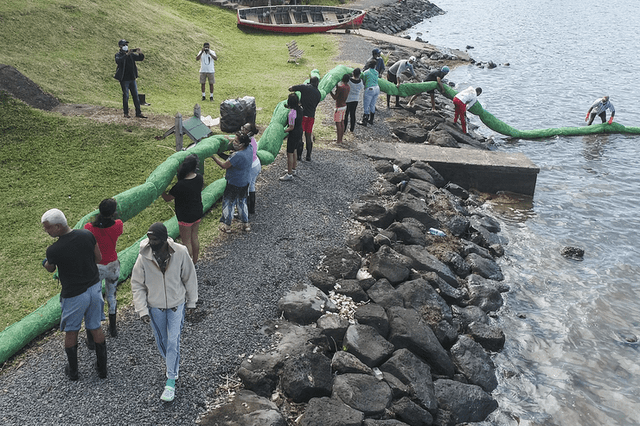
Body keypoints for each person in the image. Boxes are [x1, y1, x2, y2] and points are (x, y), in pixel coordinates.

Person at [131, 222, 198, 402]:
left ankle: (170, 381)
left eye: (154, 239)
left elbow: (190, 277)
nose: (150, 242)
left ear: (163, 239)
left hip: (177, 305)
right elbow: (137, 284)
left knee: (173, 341)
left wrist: (192, 302)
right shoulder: (143, 257)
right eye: (149, 238)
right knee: (162, 341)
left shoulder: (181, 252)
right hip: (155, 307)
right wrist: (142, 310)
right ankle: (171, 363)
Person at [41, 208, 107, 381]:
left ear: (57, 227)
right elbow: (98, 258)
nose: (46, 231)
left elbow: (51, 268)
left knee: (71, 331)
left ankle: (73, 372)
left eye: (47, 228)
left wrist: (45, 263)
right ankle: (102, 369)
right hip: (94, 287)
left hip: (74, 295)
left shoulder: (53, 250)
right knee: (95, 326)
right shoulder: (87, 235)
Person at [84, 198, 123, 338]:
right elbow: (118, 224)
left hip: (97, 266)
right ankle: (113, 329)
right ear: (113, 213)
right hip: (112, 265)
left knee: (95, 298)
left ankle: (92, 332)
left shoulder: (89, 228)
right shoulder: (118, 225)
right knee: (111, 296)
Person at [161, 154, 204, 264]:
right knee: (194, 237)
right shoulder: (199, 177)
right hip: (198, 212)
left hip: (185, 216)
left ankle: (188, 266)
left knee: (186, 242)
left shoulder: (180, 185)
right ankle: (195, 262)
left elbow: (168, 198)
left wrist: (161, 190)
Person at [212, 133, 253, 232]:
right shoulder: (250, 148)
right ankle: (246, 224)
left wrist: (213, 156)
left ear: (242, 144)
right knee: (242, 202)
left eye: (236, 141)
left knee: (228, 203)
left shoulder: (237, 155)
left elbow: (224, 165)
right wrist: (229, 139)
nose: (234, 142)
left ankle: (227, 226)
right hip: (245, 181)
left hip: (234, 182)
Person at [289, 76, 321, 161]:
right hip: (311, 116)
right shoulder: (318, 93)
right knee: (308, 135)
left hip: (303, 115)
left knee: (300, 135)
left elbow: (291, 88)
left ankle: (299, 155)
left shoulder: (305, 87)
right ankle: (308, 155)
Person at [114, 39, 147, 119]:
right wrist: (127, 55)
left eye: (126, 45)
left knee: (135, 96)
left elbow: (140, 58)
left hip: (132, 78)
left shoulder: (131, 55)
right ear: (120, 47)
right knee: (126, 96)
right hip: (124, 79)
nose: (126, 46)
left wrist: (140, 53)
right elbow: (119, 61)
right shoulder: (118, 55)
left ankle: (138, 112)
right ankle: (126, 113)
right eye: (124, 45)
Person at [280, 93, 303, 181]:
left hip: (294, 133)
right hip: (300, 131)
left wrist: (282, 131)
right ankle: (293, 169)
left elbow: (291, 127)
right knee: (295, 150)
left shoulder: (291, 113)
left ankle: (289, 174)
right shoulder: (300, 108)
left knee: (289, 153)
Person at [241, 122, 261, 213]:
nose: (242, 129)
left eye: (244, 128)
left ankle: (246, 211)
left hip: (251, 167)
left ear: (249, 132)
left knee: (246, 189)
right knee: (252, 186)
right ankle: (251, 209)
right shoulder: (252, 139)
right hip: (256, 164)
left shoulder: (247, 141)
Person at [329, 73, 351, 144]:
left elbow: (335, 97)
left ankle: (338, 140)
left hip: (339, 107)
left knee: (338, 123)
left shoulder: (341, 88)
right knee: (342, 122)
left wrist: (330, 92)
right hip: (344, 106)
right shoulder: (348, 87)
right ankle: (340, 139)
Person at [358, 60, 381, 127]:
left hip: (370, 89)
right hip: (377, 88)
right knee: (372, 104)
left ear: (368, 65)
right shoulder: (377, 72)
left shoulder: (366, 72)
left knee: (366, 105)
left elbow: (364, 81)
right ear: (375, 66)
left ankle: (364, 121)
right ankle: (371, 120)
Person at [344, 68, 364, 132]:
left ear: (353, 73)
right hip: (356, 99)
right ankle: (352, 129)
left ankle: (344, 129)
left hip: (348, 99)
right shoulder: (361, 82)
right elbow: (362, 88)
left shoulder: (349, 81)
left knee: (346, 114)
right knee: (353, 114)